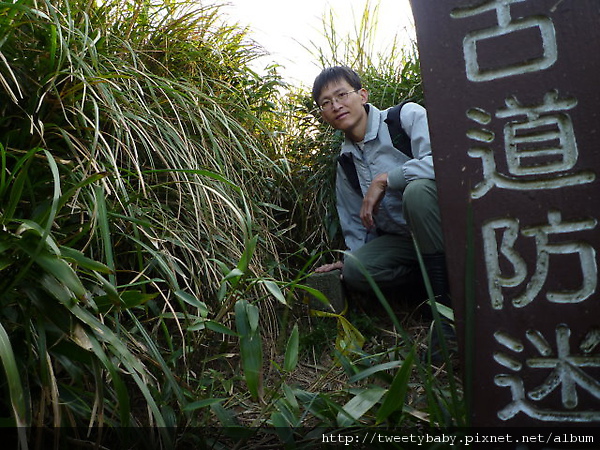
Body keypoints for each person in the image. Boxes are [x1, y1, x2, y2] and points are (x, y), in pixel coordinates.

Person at [312, 66, 452, 341]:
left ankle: (446, 316)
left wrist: (386, 179)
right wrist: (350, 259)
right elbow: (353, 219)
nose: (336, 105)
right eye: (326, 103)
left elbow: (446, 161)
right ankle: (434, 287)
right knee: (356, 270)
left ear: (362, 95)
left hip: (450, 229)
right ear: (323, 115)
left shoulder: (405, 118)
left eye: (341, 95)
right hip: (406, 242)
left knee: (417, 192)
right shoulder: (346, 162)